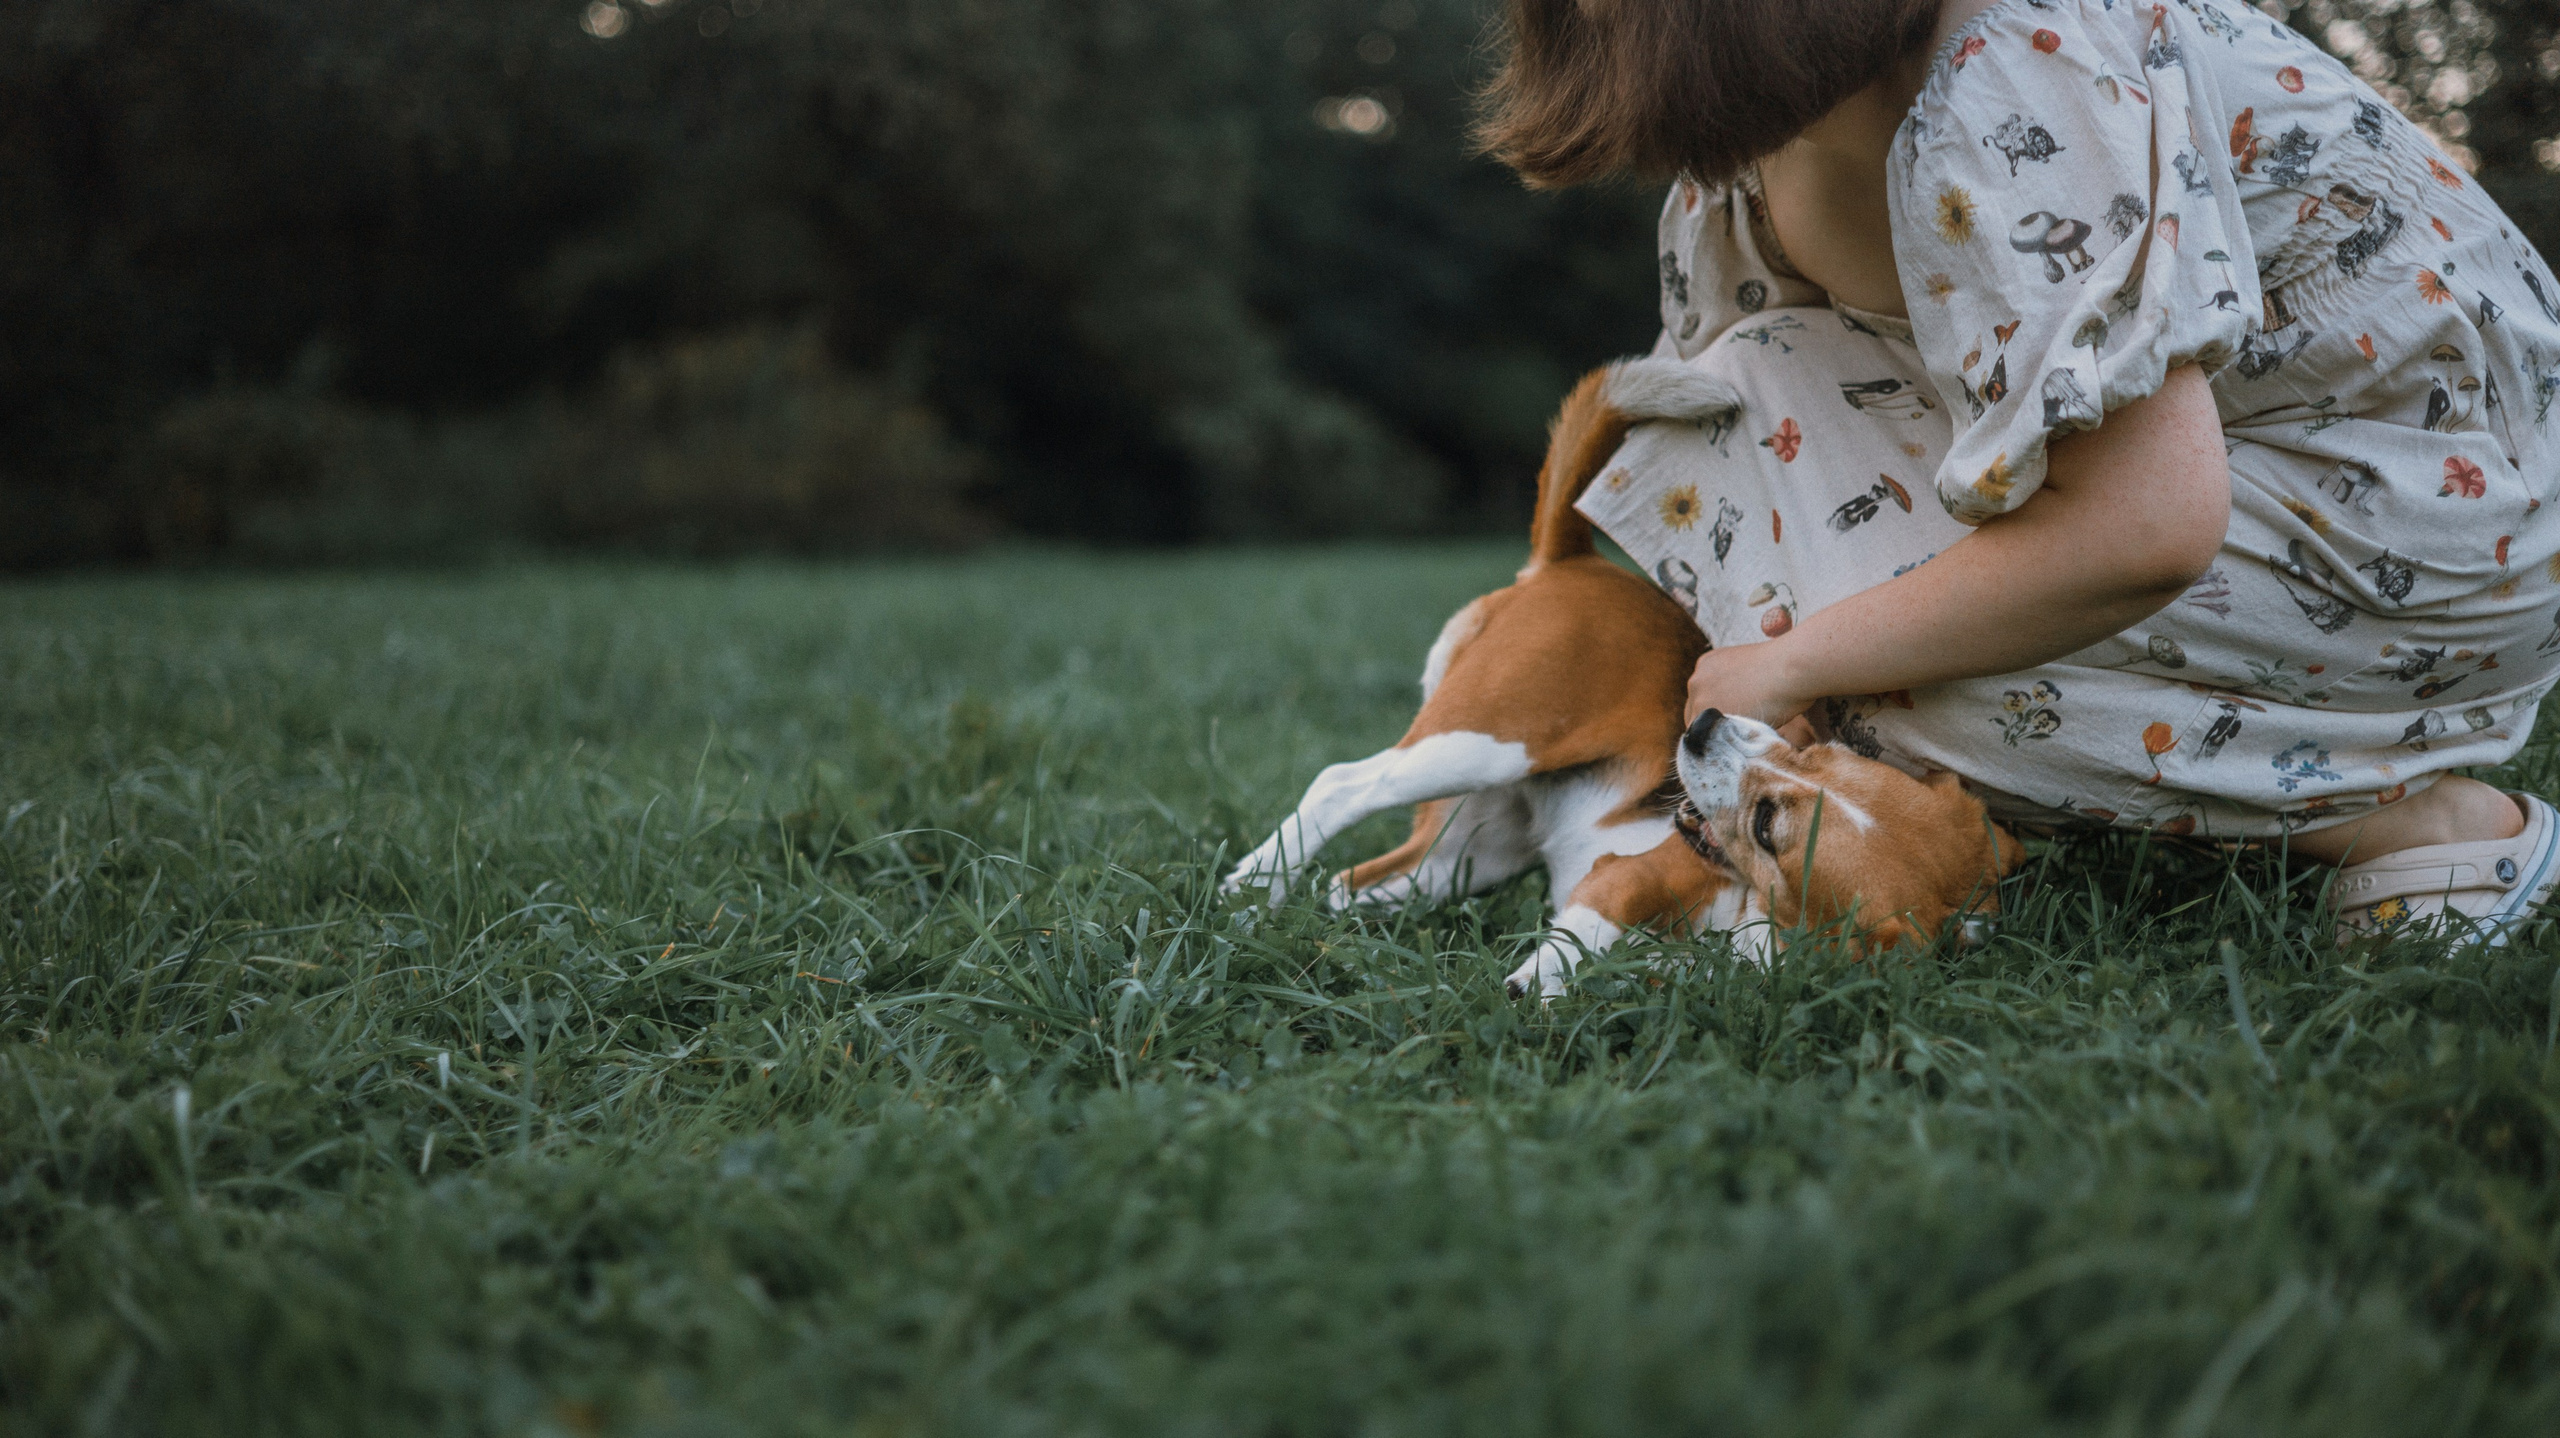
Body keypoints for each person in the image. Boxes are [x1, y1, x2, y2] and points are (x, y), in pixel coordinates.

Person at [1477, 0, 2560, 941]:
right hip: (2220, 472)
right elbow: (1748, 415)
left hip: (2433, 508)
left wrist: (1804, 660)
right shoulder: (1763, 119)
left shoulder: (2011, 75)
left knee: (1908, 674)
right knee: (1709, 427)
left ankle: (2424, 826)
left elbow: (2147, 528)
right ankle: (2010, 756)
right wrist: (1786, 655)